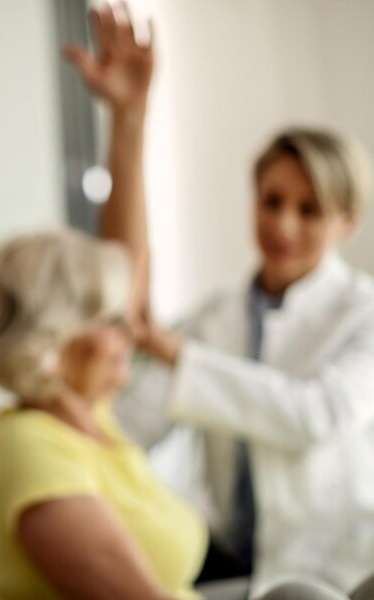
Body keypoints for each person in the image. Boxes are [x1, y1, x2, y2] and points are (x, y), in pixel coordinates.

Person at [111, 26, 374, 600]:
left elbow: (317, 416)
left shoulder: (365, 311)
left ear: (347, 223)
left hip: (345, 566)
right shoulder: (215, 316)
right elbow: (134, 425)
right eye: (272, 201)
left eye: (310, 210)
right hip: (235, 563)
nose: (283, 225)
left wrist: (179, 354)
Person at [0, 7, 209, 599]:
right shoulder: (32, 449)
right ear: (48, 346)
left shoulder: (87, 417)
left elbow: (126, 274)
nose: (131, 327)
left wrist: (128, 117)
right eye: (107, 320)